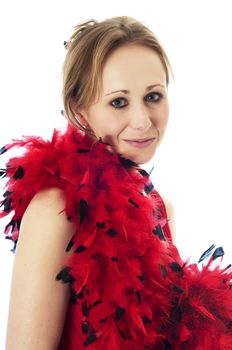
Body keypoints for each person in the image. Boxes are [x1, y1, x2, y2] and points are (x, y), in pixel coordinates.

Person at [0, 16, 232, 350]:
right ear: (80, 112)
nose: (142, 121)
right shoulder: (56, 209)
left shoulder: (160, 209)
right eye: (118, 102)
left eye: (153, 96)